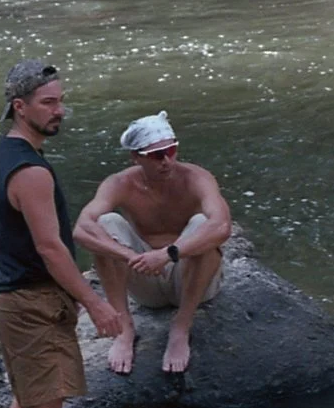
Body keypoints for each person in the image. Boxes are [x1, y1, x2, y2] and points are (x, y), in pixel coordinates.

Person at [0, 61, 125, 408]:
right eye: (49, 103)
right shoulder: (31, 171)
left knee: (25, 400)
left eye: (61, 100)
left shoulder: (4, 155)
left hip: (12, 298)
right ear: (19, 107)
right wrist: (95, 303)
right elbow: (50, 247)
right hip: (34, 302)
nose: (59, 110)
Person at [73, 111, 231, 376]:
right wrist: (126, 255)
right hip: (145, 277)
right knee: (105, 225)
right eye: (157, 155)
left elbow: (222, 226)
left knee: (203, 225)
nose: (167, 161)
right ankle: (124, 329)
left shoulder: (196, 177)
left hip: (188, 277)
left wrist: (169, 254)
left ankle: (181, 328)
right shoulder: (120, 183)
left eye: (171, 150)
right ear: (136, 157)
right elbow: (81, 229)